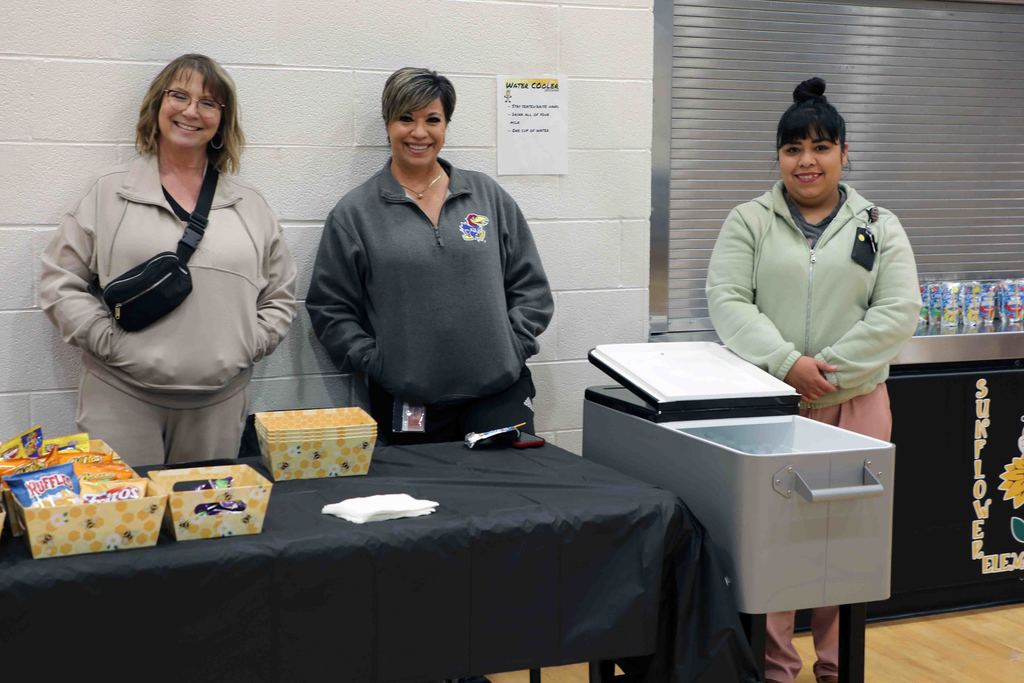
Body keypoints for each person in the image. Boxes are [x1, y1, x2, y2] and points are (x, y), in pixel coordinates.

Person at [706, 77, 920, 683]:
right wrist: (786, 365)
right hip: (772, 411)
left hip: (858, 405)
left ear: (844, 153)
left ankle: (837, 665)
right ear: (778, 157)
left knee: (846, 543)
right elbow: (727, 301)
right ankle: (774, 666)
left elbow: (898, 310)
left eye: (821, 147)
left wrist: (825, 371)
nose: (807, 161)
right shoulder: (748, 220)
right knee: (770, 544)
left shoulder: (879, 224)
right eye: (794, 149)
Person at [40, 53, 297, 466]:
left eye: (209, 102)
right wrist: (107, 341)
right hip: (120, 401)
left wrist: (247, 344)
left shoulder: (251, 206)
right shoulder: (110, 194)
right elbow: (59, 280)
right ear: (158, 105)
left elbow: (281, 295)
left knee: (206, 526)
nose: (191, 111)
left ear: (221, 120)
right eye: (180, 96)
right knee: (126, 528)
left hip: (217, 408)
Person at [307, 67, 553, 445]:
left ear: (446, 125)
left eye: (432, 120)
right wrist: (378, 363)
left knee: (512, 499)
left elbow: (530, 286)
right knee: (424, 504)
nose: (419, 133)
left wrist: (512, 344)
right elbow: (329, 307)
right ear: (389, 124)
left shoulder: (487, 196)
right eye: (406, 118)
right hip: (408, 401)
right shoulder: (356, 213)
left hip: (499, 392)